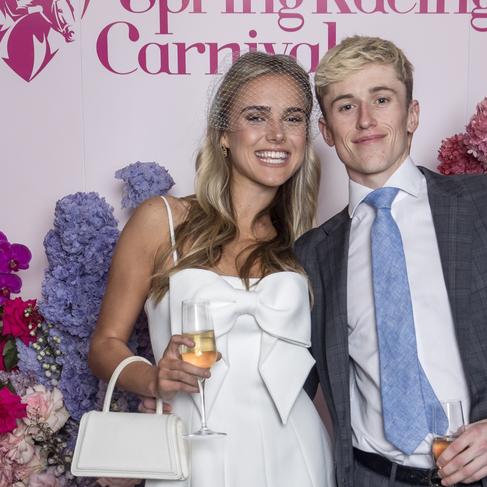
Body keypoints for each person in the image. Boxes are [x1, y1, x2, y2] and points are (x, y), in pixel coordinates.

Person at [295, 36, 487, 487]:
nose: (365, 120)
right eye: (345, 106)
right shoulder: (313, 252)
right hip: (373, 477)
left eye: (382, 99)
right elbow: (291, 376)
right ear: (326, 132)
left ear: (412, 115)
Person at [88, 51, 334, 487]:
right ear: (223, 133)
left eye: (293, 118)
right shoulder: (161, 220)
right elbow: (104, 344)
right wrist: (154, 381)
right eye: (257, 117)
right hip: (189, 451)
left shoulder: (307, 244)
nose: (277, 134)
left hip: (297, 455)